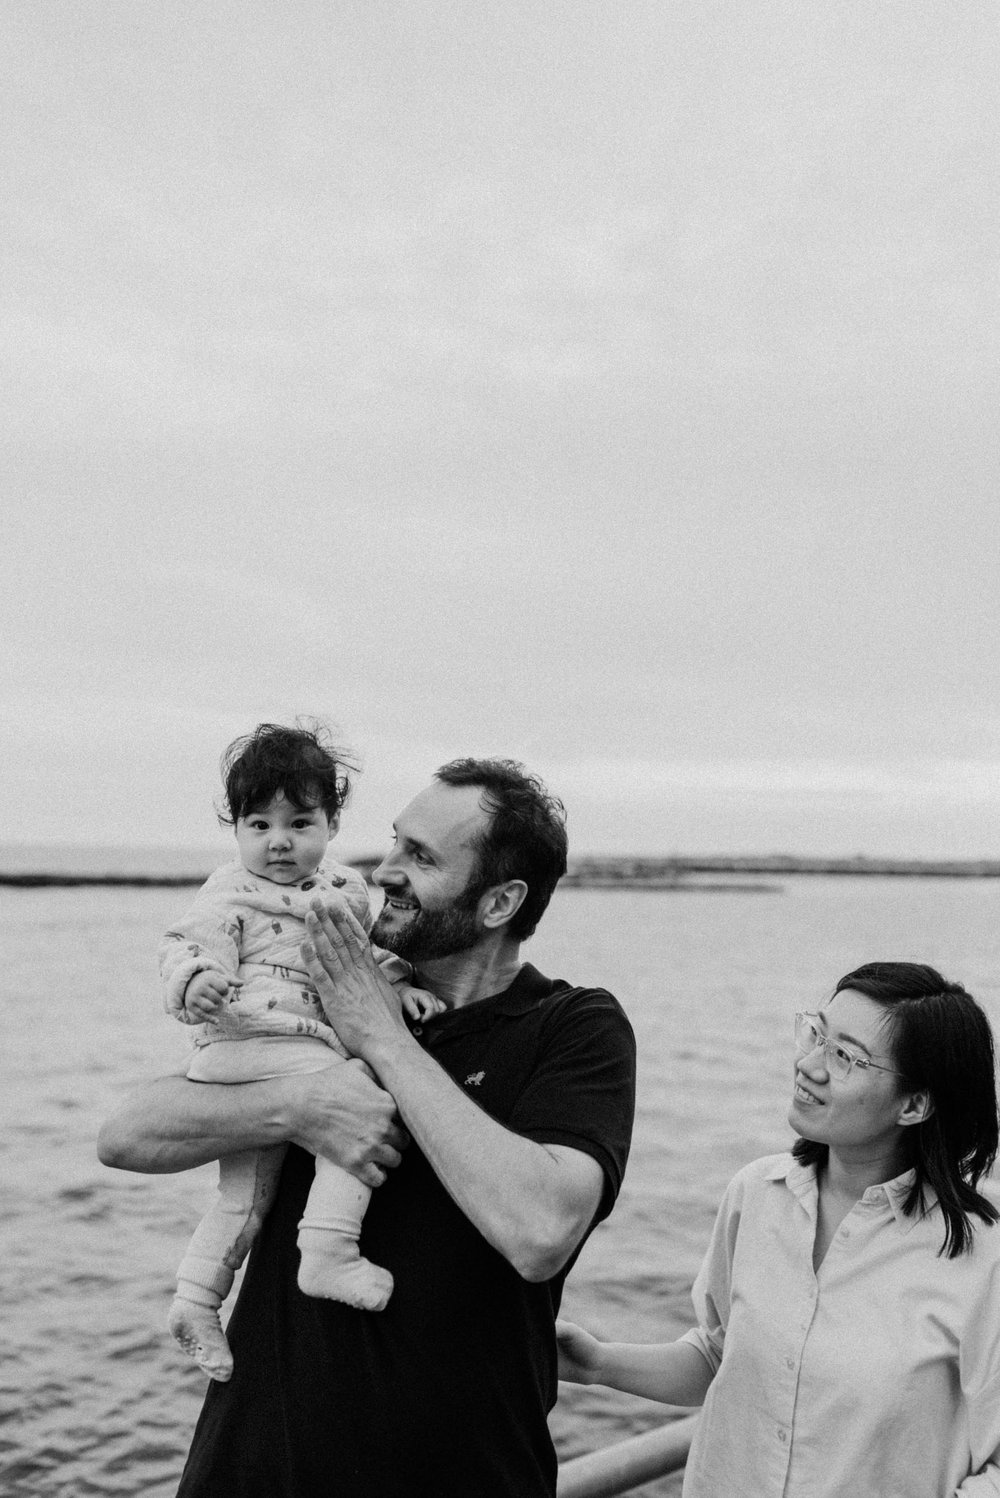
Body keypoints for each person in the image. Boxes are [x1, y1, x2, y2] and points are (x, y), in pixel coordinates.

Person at [99, 756, 637, 1498]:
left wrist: (381, 1035)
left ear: (498, 902)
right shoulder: (320, 1006)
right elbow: (125, 1135)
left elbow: (542, 1229)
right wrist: (302, 1104)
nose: (383, 870)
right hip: (247, 1474)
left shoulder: (571, 1027)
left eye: (419, 857)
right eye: (392, 842)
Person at [557, 962, 1000, 1498]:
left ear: (915, 1104)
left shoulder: (984, 1250)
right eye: (817, 1034)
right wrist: (597, 1362)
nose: (808, 1065)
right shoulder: (755, 1195)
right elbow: (720, 1356)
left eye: (845, 1056)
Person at [159, 722, 442, 1383]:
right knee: (364, 1106)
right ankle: (328, 1249)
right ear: (235, 830)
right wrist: (197, 980)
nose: (278, 841)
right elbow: (187, 943)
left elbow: (360, 959)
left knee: (242, 1199)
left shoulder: (344, 889)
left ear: (332, 822)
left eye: (299, 822)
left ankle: (195, 1300)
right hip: (248, 1045)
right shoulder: (231, 890)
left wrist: (399, 984)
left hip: (287, 1055)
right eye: (258, 824)